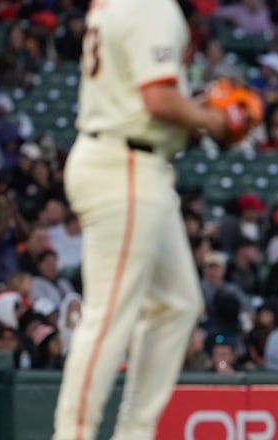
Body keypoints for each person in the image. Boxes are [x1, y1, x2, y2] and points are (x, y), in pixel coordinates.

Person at [52, 0, 255, 438]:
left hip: (133, 160)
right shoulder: (151, 5)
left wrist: (196, 107)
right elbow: (157, 99)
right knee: (108, 315)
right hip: (123, 163)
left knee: (177, 303)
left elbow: (149, 93)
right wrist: (215, 120)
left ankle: (135, 432)